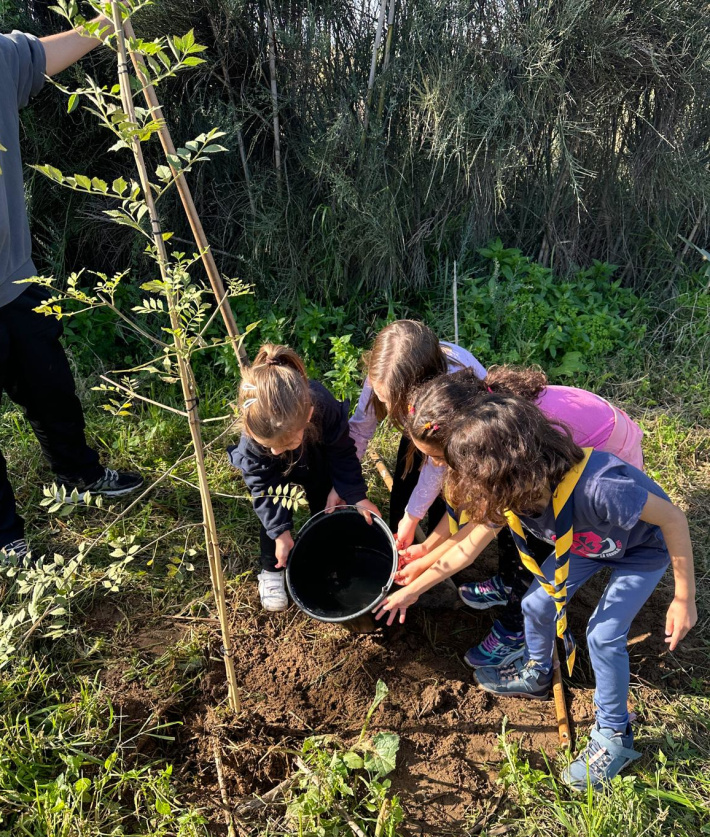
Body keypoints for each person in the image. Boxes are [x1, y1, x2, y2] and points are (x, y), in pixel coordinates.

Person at [375, 394, 696, 791]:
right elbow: (464, 547)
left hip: (641, 552)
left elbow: (673, 518)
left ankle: (615, 734)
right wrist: (411, 591)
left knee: (602, 635)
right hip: (582, 543)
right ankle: (538, 673)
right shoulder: (514, 494)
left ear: (504, 474)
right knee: (535, 602)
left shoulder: (601, 488)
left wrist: (684, 597)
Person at [1, 20, 143, 564]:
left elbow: (44, 53)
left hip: (16, 279)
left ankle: (79, 474)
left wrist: (112, 20)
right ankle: (5, 537)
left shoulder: (1, 60)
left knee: (51, 386)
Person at [396, 366, 645, 666]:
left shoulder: (514, 455)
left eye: (436, 457)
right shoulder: (491, 428)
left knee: (537, 538)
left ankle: (515, 629)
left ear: (464, 439)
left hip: (605, 453)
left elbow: (478, 535)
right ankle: (507, 580)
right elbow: (483, 519)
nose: (434, 465)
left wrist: (416, 583)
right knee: (509, 518)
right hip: (559, 454)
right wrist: (424, 555)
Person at [228, 344, 380, 612]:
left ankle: (327, 553)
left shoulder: (322, 406)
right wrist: (280, 532)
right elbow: (262, 489)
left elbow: (342, 452)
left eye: (286, 443)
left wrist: (356, 495)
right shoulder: (256, 437)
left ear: (308, 416)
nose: (276, 451)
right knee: (274, 512)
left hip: (316, 458)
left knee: (326, 502)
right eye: (270, 446)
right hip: (271, 475)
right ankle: (271, 571)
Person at [349, 319, 486, 548]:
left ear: (418, 390)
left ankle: (436, 551)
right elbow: (360, 428)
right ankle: (396, 541)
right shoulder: (385, 370)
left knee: (447, 497)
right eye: (381, 395)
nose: (385, 404)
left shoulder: (452, 385)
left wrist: (412, 516)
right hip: (422, 429)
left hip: (460, 437)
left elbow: (437, 465)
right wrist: (346, 483)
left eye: (392, 400)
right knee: (405, 482)